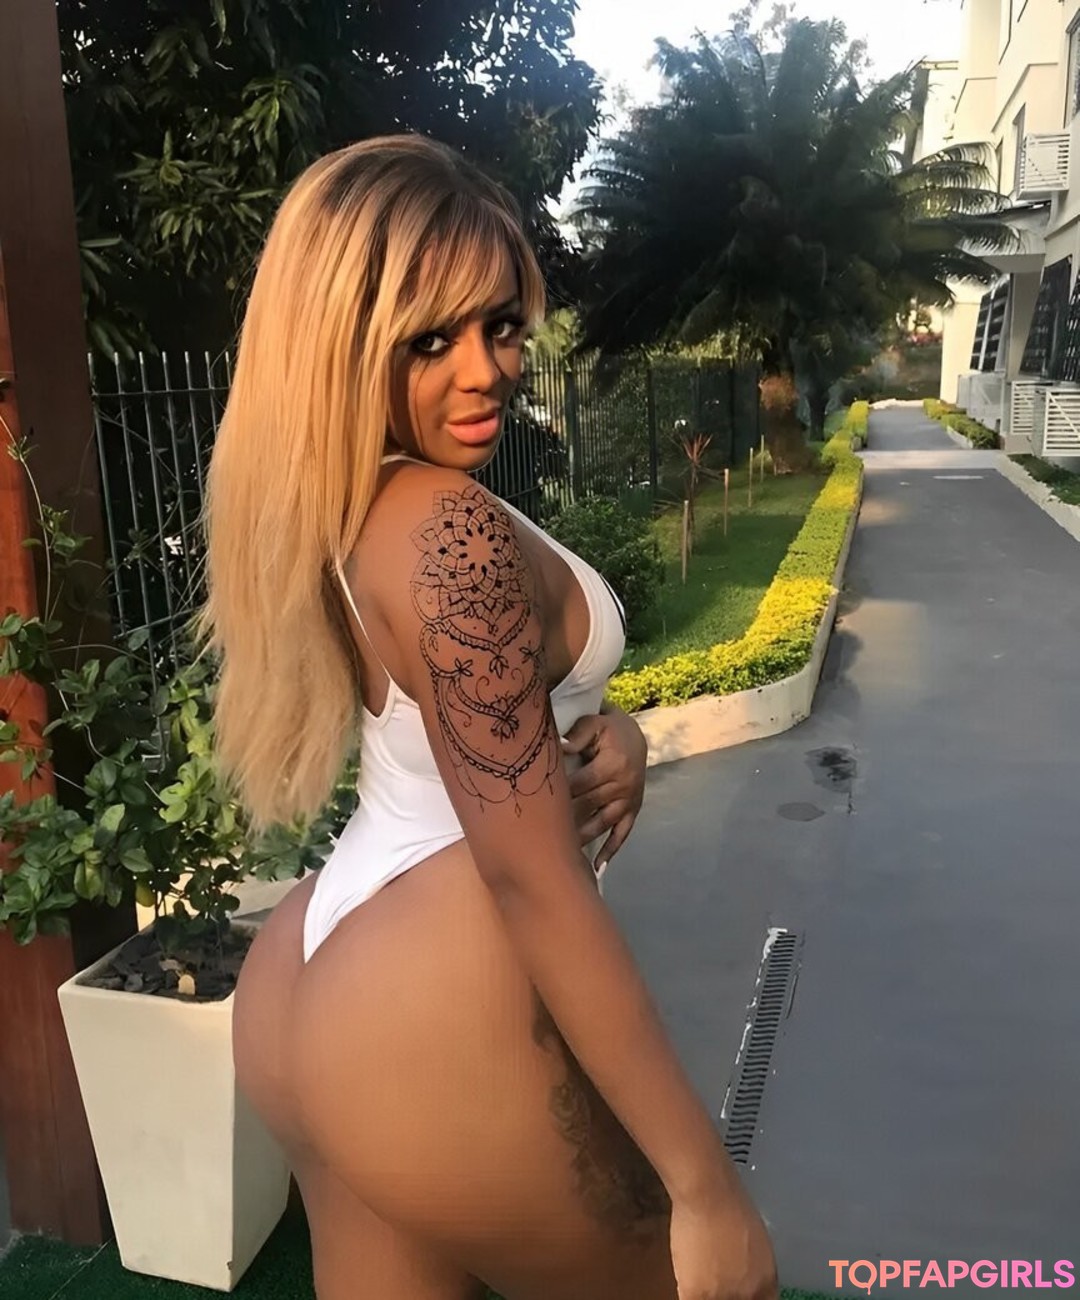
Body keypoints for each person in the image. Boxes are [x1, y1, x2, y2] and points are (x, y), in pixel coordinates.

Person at [200, 134, 777, 1300]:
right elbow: (528, 873)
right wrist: (704, 1184)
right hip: (436, 1006)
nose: (489, 371)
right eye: (432, 339)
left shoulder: (350, 500)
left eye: (503, 326)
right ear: (345, 340)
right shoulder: (445, 525)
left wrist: (617, 733)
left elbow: (458, 733)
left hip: (307, 980)